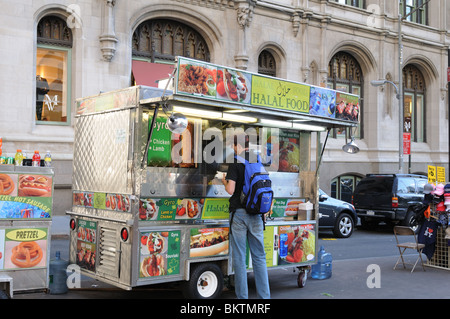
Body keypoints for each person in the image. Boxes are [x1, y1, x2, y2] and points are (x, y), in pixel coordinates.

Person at [222, 131, 270, 299]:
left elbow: (230, 190)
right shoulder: (258, 160)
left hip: (240, 215)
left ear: (239, 145)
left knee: (240, 259)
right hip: (257, 215)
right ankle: (265, 298)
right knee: (259, 257)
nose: (233, 149)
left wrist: (224, 181)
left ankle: (243, 298)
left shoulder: (236, 163)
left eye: (234, 146)